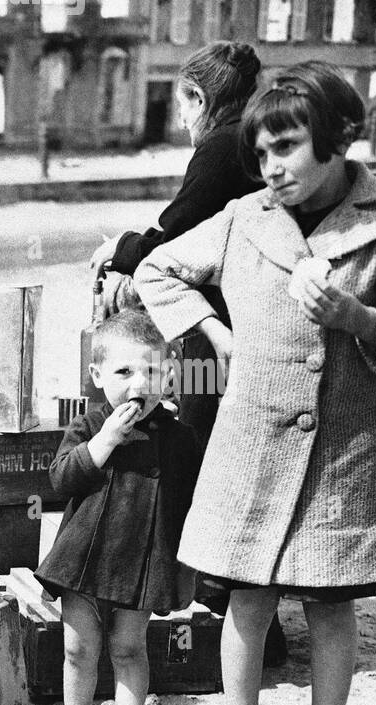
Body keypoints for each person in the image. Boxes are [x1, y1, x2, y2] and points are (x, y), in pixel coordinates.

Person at [136, 63, 376, 705]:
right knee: (248, 599)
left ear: (341, 141)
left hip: (344, 451)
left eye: (288, 148)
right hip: (253, 441)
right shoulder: (245, 217)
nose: (272, 168)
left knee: (331, 605)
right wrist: (218, 336)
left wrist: (357, 317)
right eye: (262, 153)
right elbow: (158, 269)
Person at [24, 311, 202, 705]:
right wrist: (104, 442)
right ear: (98, 376)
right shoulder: (88, 426)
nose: (137, 384)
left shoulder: (179, 438)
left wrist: (184, 568)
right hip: (84, 557)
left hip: (143, 560)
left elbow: (192, 501)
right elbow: (60, 478)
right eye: (124, 372)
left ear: (168, 377)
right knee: (78, 647)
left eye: (151, 372)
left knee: (127, 646)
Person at [91, 41, 261, 446]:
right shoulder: (248, 139)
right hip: (244, 312)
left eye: (183, 106)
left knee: (199, 423)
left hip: (216, 318)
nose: (182, 120)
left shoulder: (220, 148)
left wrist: (120, 248)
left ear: (200, 99)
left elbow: (174, 244)